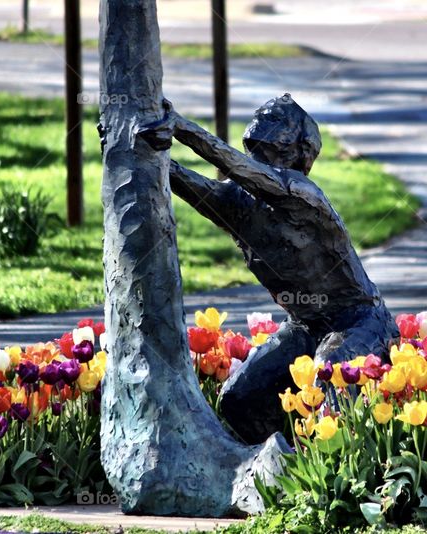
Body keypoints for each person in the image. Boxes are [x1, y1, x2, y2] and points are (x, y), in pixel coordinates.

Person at [138, 94, 398, 443]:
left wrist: (181, 128)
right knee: (237, 399)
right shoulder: (236, 201)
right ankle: (281, 465)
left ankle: (336, 471)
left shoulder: (301, 193)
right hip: (305, 325)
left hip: (358, 321)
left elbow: (256, 176)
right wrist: (139, 146)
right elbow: (179, 178)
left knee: (327, 378)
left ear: (299, 152)